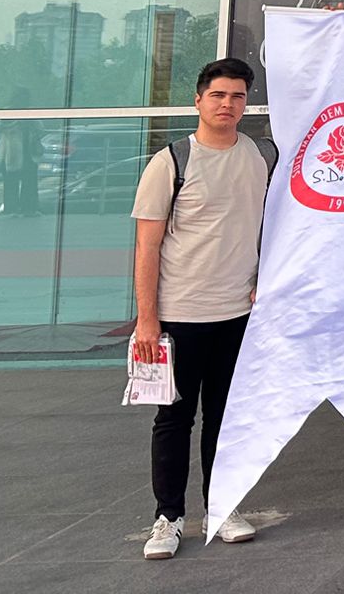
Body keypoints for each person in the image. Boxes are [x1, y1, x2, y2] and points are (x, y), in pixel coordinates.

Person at [132, 59, 272, 560]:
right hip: (179, 317)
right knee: (174, 420)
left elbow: (272, 226)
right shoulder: (171, 161)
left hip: (237, 315)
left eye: (237, 96)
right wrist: (147, 319)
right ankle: (168, 518)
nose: (227, 104)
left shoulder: (260, 156)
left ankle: (221, 507)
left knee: (225, 420)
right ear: (198, 100)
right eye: (218, 95)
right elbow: (147, 247)